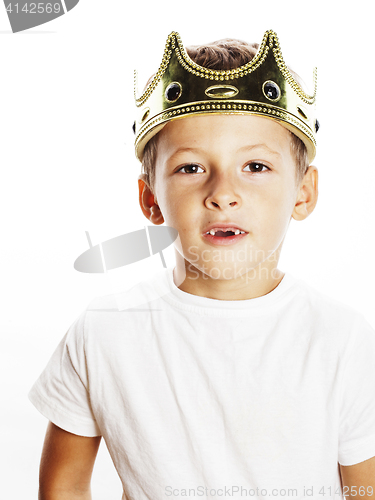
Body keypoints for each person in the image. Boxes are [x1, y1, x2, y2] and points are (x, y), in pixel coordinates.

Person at [29, 30, 375, 499]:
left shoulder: (345, 341)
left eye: (255, 166)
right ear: (151, 200)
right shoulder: (102, 333)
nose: (222, 193)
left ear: (304, 192)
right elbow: (64, 486)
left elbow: (363, 491)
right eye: (191, 168)